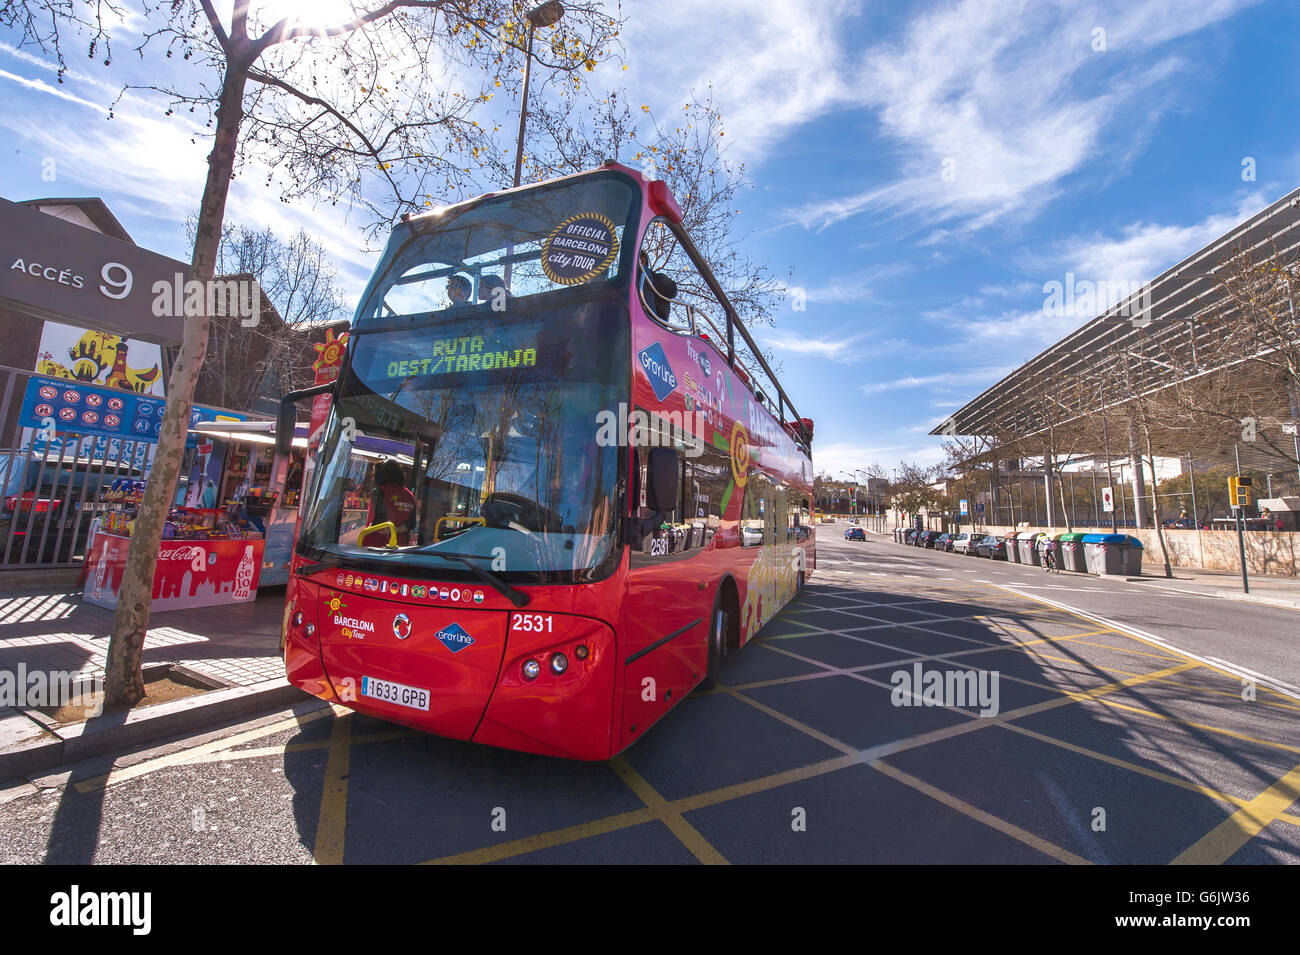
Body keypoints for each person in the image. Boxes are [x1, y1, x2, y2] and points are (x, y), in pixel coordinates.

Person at [360, 459, 416, 546]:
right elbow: (411, 524)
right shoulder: (410, 496)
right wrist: (393, 530)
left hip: (375, 544)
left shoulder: (378, 492)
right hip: (399, 545)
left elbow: (373, 522)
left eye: (375, 473)